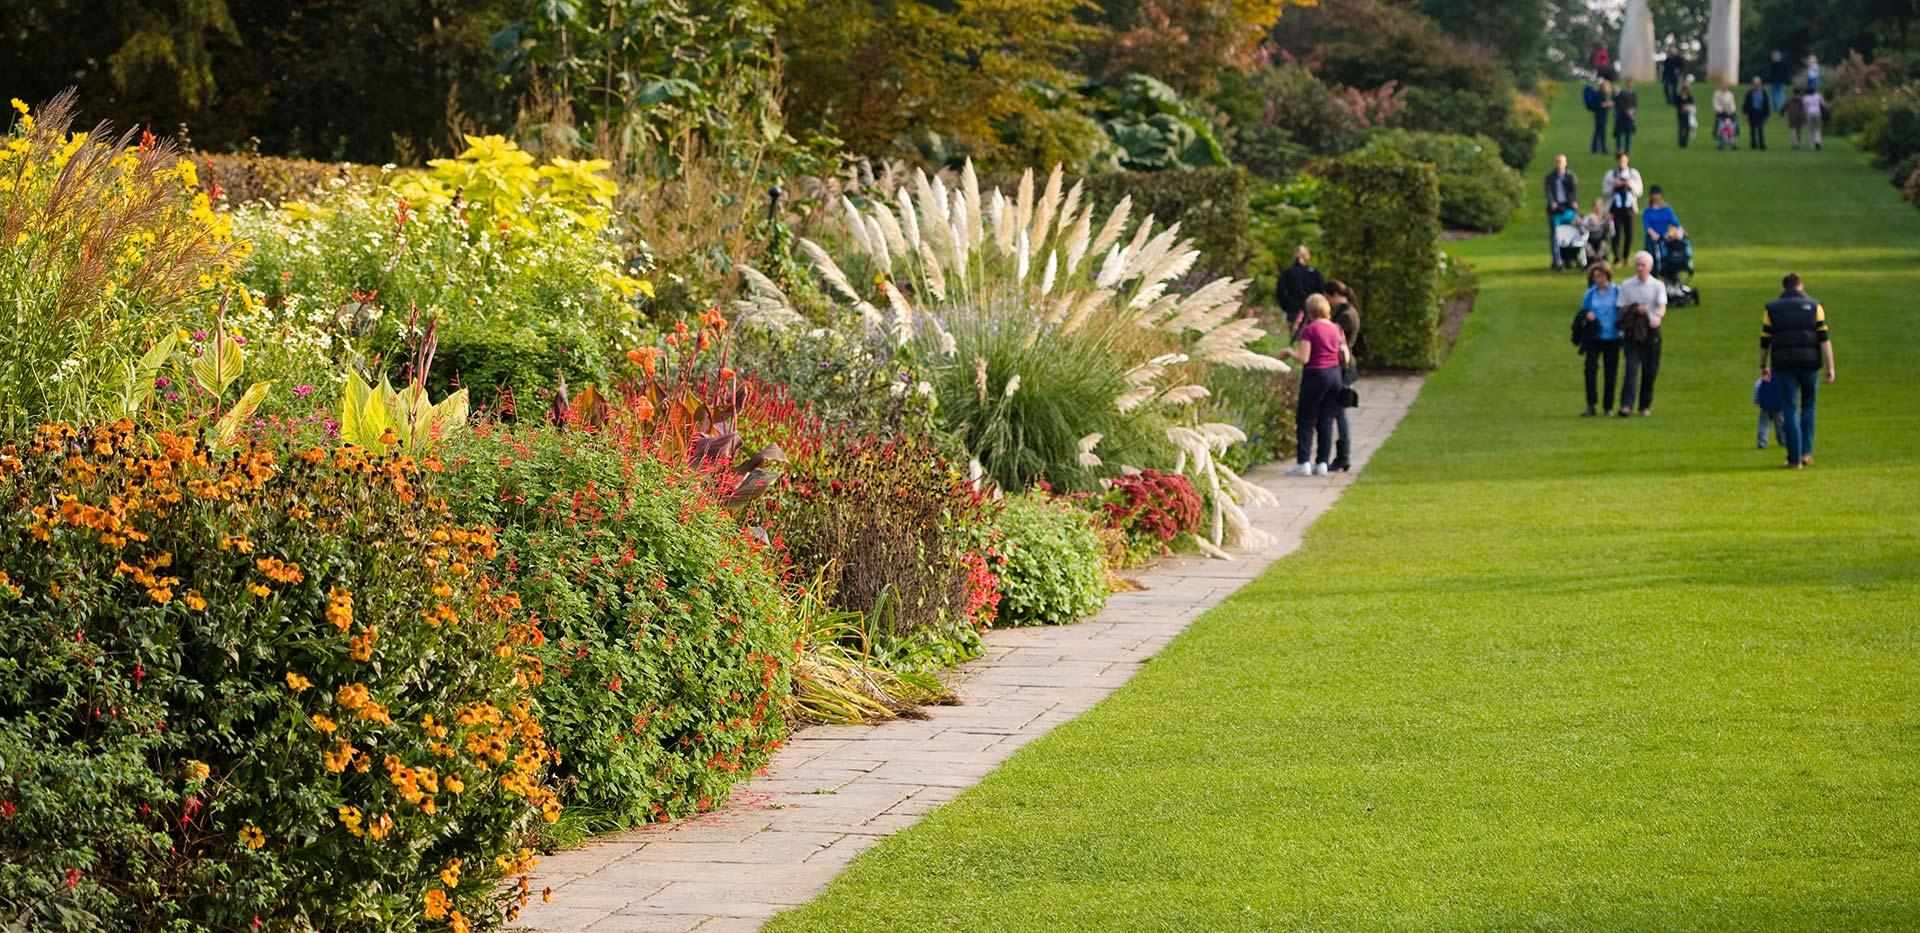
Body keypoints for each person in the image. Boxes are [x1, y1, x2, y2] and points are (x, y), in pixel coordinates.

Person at [1761, 272, 1836, 469]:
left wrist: (1763, 365)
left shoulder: (1772, 309)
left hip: (1784, 365)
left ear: (1784, 287)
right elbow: (1824, 338)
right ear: (1800, 286)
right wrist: (1830, 367)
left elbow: (1765, 340)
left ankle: (1794, 459)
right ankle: (1806, 453)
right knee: (1809, 406)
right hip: (1810, 364)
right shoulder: (1814, 306)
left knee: (1789, 408)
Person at [1277, 294, 1351, 476]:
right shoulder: (1337, 329)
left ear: (1309, 311)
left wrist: (1289, 352)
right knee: (1326, 419)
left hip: (1315, 375)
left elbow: (1304, 358)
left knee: (1306, 418)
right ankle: (1323, 463)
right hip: (1334, 375)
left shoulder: (1310, 330)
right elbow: (1346, 357)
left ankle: (1304, 462)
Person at [1616, 251, 1668, 416]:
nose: (1639, 268)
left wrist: (1657, 316)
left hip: (1651, 330)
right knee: (1631, 369)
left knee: (1650, 370)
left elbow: (1661, 305)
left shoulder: (1657, 285)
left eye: (1643, 265)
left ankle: (1645, 406)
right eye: (1637, 265)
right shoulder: (1626, 285)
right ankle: (1626, 405)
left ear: (1650, 267)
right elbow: (1621, 306)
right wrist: (1634, 309)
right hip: (1633, 331)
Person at [1579, 264, 1624, 416]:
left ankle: (1608, 406)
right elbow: (1582, 311)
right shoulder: (1590, 294)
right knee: (1590, 370)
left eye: (1601, 276)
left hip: (1612, 337)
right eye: (1596, 277)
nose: (1598, 280)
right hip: (1594, 337)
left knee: (1610, 373)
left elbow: (1622, 310)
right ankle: (1591, 404)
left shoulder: (1617, 291)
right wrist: (1587, 315)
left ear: (1608, 276)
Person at [1327, 281, 1362, 472]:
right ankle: (1342, 455)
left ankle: (1343, 455)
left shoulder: (1346, 316)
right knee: (1338, 412)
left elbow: (1334, 337)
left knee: (1339, 412)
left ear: (1332, 295)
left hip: (1342, 365)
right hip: (1342, 364)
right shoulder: (1346, 312)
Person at [1601, 152, 1643, 265]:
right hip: (1615, 208)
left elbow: (1639, 191)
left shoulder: (1633, 173)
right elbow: (1605, 190)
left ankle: (1626, 256)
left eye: (1624, 160)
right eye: (1620, 161)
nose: (1622, 163)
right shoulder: (1610, 174)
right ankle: (1617, 258)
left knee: (1629, 233)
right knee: (1616, 233)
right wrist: (1614, 185)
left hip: (1629, 207)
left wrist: (1630, 185)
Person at [1275, 245, 1325, 332]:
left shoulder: (1287, 273)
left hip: (1293, 310)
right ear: (1307, 256)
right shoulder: (1314, 273)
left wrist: (1288, 306)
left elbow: (1280, 292)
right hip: (1313, 310)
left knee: (1296, 337)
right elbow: (1321, 292)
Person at [1544, 154, 1579, 270]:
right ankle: (1557, 261)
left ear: (1565, 163)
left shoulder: (1570, 177)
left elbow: (1573, 192)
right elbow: (1548, 193)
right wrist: (1552, 203)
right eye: (1558, 162)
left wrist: (1573, 202)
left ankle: (1569, 259)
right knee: (1555, 236)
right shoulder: (1550, 177)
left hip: (1567, 208)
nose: (1560, 164)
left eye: (1562, 162)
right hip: (1555, 210)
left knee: (1570, 234)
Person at [1641, 186, 1681, 253]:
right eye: (1654, 194)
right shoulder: (1647, 211)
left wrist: (1669, 234)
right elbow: (1647, 226)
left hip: (1667, 236)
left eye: (1657, 194)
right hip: (1654, 237)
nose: (1656, 196)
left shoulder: (1667, 210)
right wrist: (1653, 234)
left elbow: (1675, 224)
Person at [1753, 374, 1784, 449]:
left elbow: (1757, 391)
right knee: (1780, 425)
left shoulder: (1760, 381)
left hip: (1765, 407)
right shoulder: (1780, 379)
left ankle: (1762, 442)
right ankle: (1783, 440)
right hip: (1778, 407)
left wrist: (1757, 401)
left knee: (1763, 425)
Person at [1580, 196, 1613, 266]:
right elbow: (1582, 228)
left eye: (1599, 206)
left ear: (1603, 207)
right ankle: (1592, 260)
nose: (1597, 208)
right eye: (1595, 206)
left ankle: (1600, 259)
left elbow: (1612, 232)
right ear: (1592, 207)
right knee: (1587, 245)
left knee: (1603, 244)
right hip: (1590, 239)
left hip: (1602, 239)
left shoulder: (1607, 217)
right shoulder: (1589, 217)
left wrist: (1609, 223)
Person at [1585, 77, 1614, 155]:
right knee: (1601, 132)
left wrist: (1608, 104)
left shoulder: (1602, 94)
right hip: (1600, 115)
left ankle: (1594, 148)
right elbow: (1598, 105)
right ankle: (1603, 148)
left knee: (1597, 131)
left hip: (1602, 115)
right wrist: (1606, 104)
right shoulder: (1600, 94)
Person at [1743, 77, 1772, 151]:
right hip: (1752, 113)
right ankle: (1753, 145)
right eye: (1755, 84)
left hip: (1761, 113)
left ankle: (1762, 145)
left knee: (1760, 129)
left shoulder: (1763, 92)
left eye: (1758, 83)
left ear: (1760, 84)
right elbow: (1746, 104)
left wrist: (1767, 115)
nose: (1756, 85)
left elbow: (1767, 104)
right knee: (1752, 130)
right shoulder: (1749, 93)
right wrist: (1745, 114)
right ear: (1752, 84)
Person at [1613, 80, 1639, 155]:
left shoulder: (1634, 94)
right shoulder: (1621, 93)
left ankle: (1627, 151)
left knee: (1628, 135)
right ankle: (1619, 150)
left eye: (1631, 83)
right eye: (1629, 83)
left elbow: (1635, 104)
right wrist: (1627, 111)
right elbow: (1620, 104)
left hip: (1630, 118)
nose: (1630, 85)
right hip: (1622, 117)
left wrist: (1633, 114)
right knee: (1619, 135)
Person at [1713, 84, 1739, 150]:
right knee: (1721, 129)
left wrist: (1731, 111)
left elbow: (1732, 104)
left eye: (1726, 86)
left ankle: (1733, 144)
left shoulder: (1730, 94)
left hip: (1730, 114)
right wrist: (1721, 110)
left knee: (1732, 129)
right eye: (1723, 86)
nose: (1724, 87)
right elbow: (1716, 104)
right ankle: (1721, 145)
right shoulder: (1717, 94)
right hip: (1721, 114)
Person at [1676, 76, 1697, 148]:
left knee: (1687, 128)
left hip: (1688, 114)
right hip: (1681, 114)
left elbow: (1693, 106)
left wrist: (1688, 108)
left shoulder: (1690, 97)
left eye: (1686, 90)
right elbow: (1677, 105)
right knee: (1681, 128)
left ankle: (1685, 142)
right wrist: (1682, 108)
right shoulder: (1679, 97)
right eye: (1684, 90)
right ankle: (1680, 142)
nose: (1685, 91)